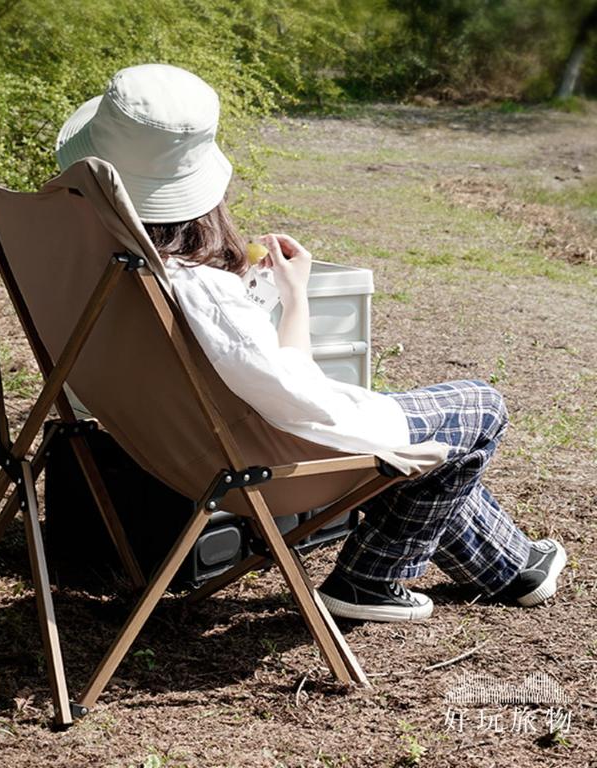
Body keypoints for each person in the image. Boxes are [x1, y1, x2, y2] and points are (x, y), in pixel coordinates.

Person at [55, 63, 567, 622]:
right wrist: (298, 307)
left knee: (434, 446)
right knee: (478, 406)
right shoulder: (197, 286)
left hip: (157, 445)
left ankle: (511, 567)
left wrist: (278, 297)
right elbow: (298, 398)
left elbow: (258, 373)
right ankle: (368, 581)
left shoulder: (88, 258)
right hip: (255, 468)